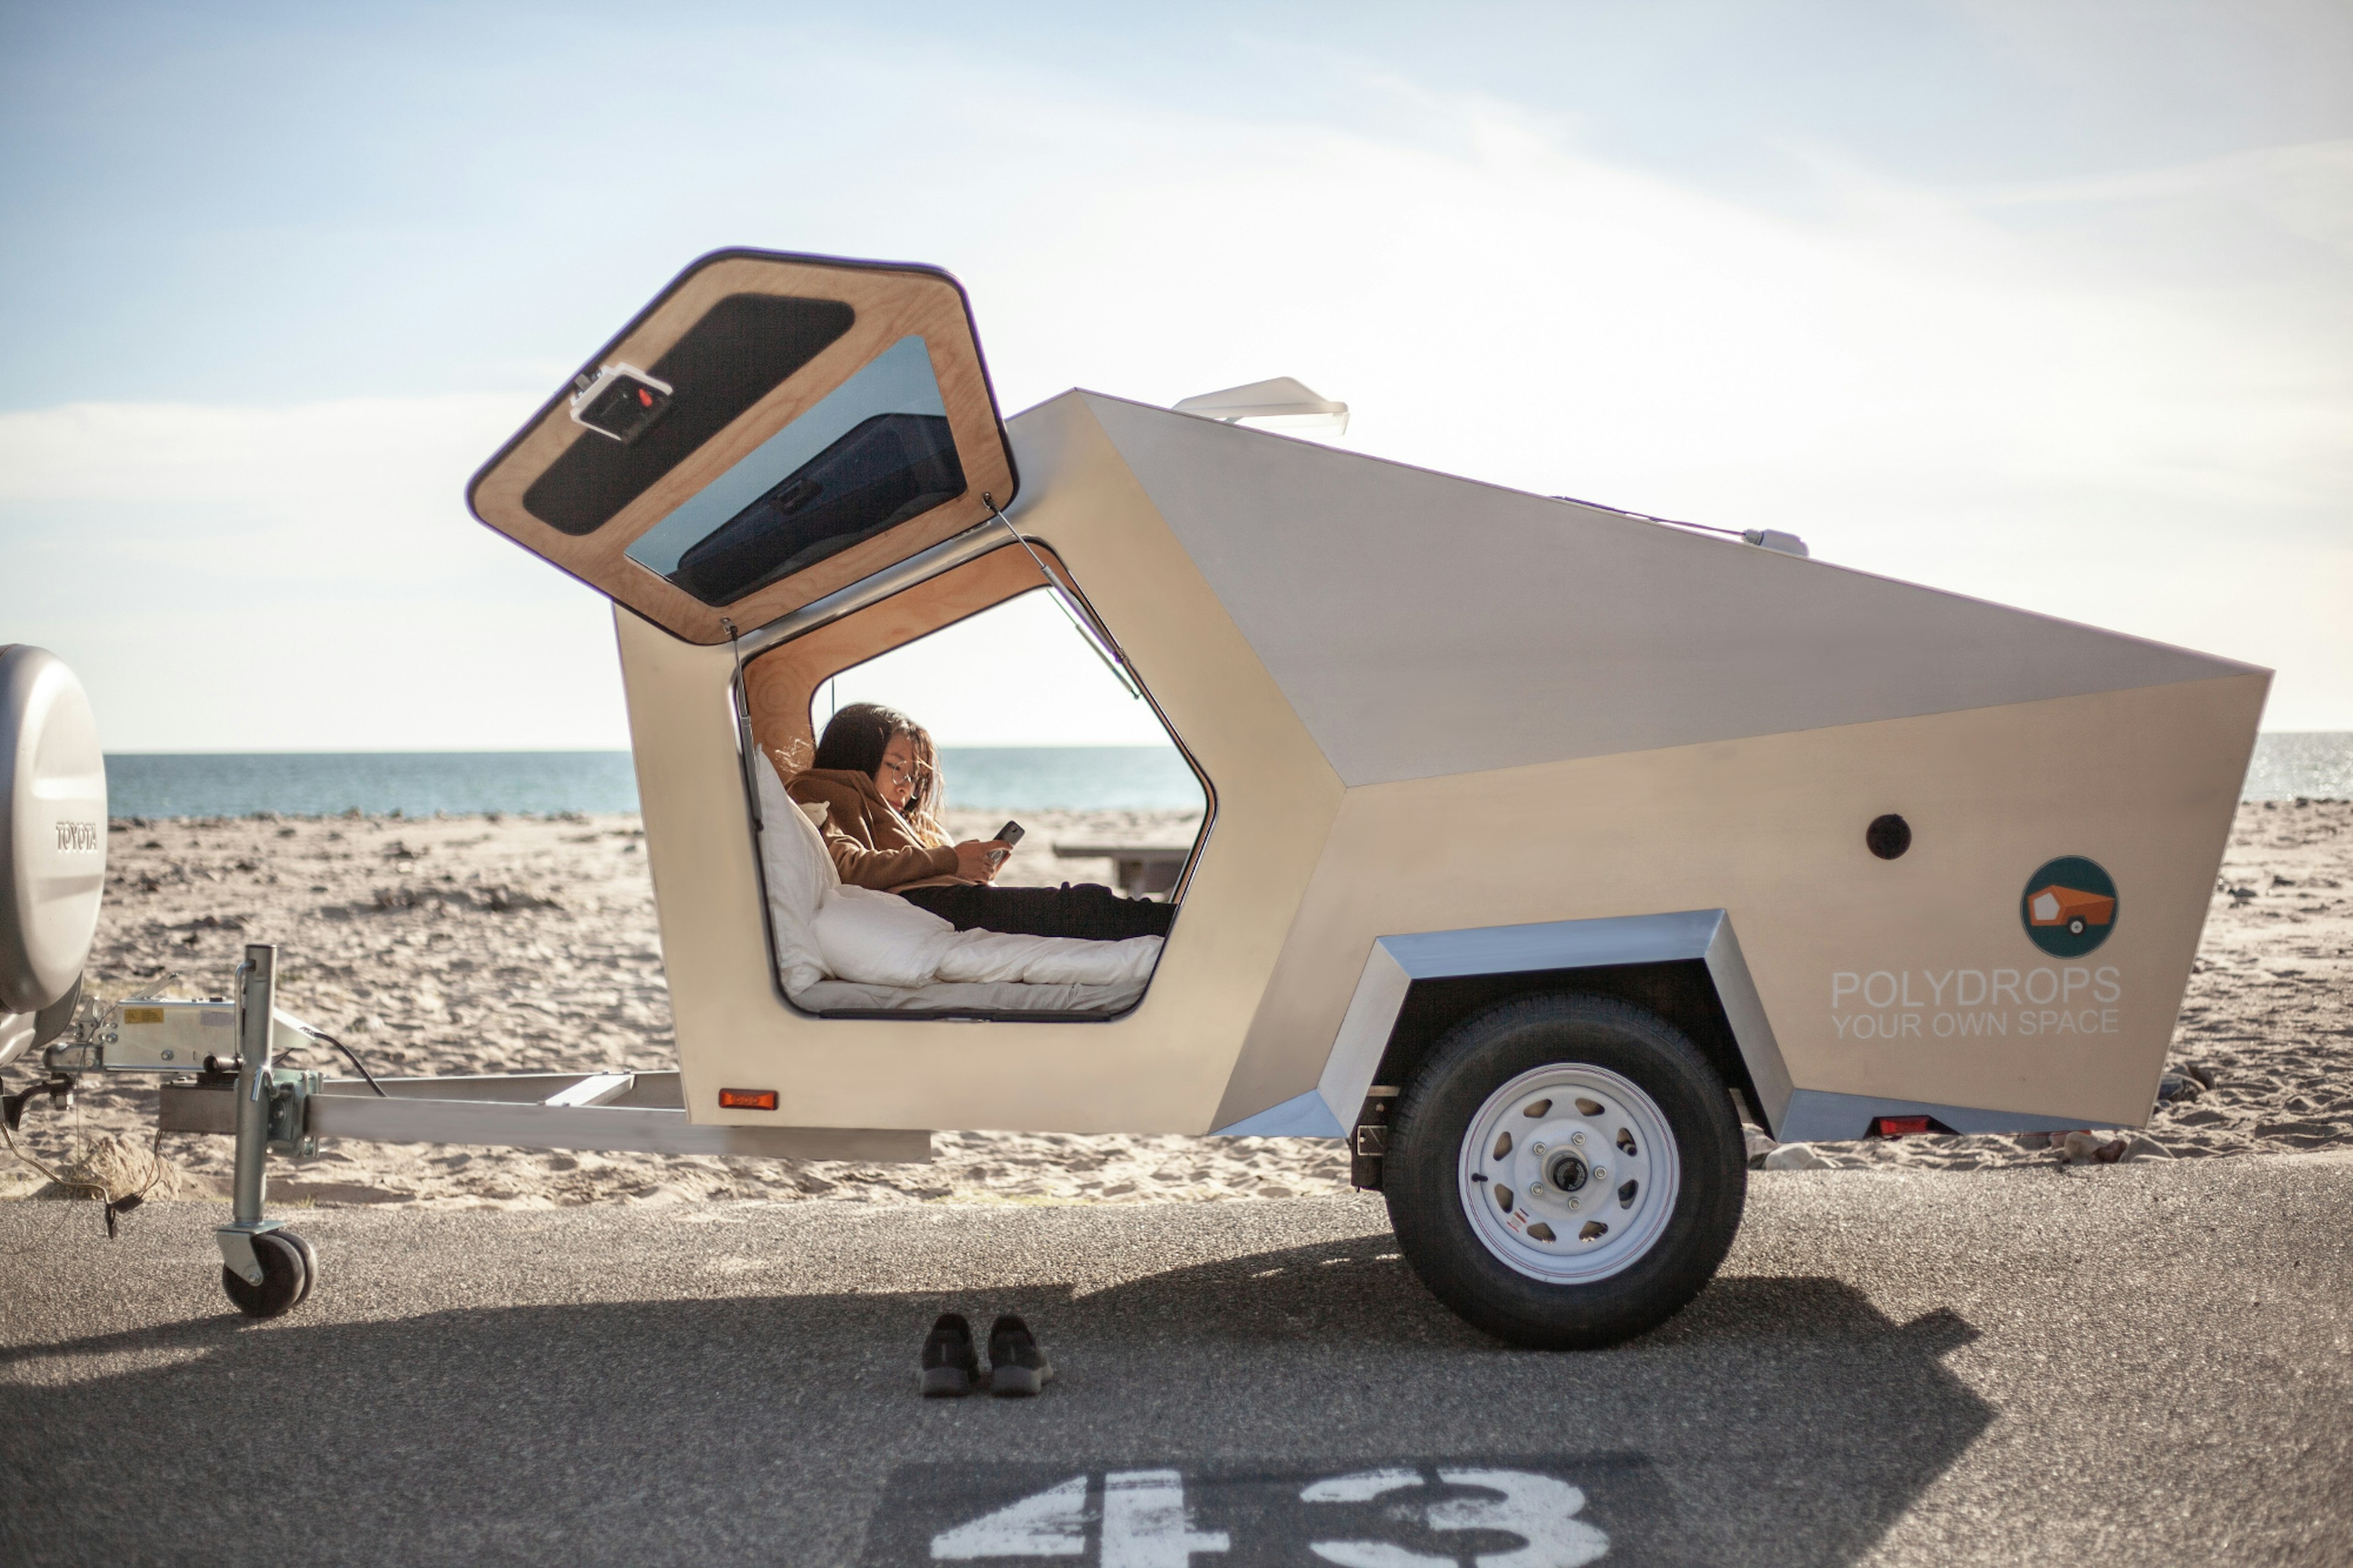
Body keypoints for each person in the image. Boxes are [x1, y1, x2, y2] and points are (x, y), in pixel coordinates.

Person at [783, 702, 1175, 942]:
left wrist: (969, 867)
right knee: (1079, 906)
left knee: (1076, 907)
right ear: (857, 756)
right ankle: (1179, 925)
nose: (908, 787)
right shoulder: (821, 789)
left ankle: (1174, 922)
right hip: (919, 906)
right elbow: (847, 866)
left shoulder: (893, 812)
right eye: (896, 768)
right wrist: (951, 861)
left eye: (915, 776)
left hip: (936, 901)